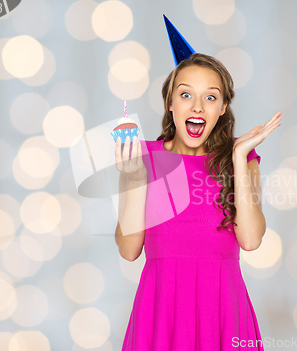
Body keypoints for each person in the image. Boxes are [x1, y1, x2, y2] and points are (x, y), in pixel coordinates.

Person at [114, 17, 283, 351]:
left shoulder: (243, 160)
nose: (196, 106)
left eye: (210, 97)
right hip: (160, 313)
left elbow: (250, 240)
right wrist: (135, 178)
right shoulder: (141, 158)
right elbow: (129, 250)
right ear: (170, 103)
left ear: (221, 109)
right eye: (186, 94)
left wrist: (237, 157)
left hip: (222, 311)